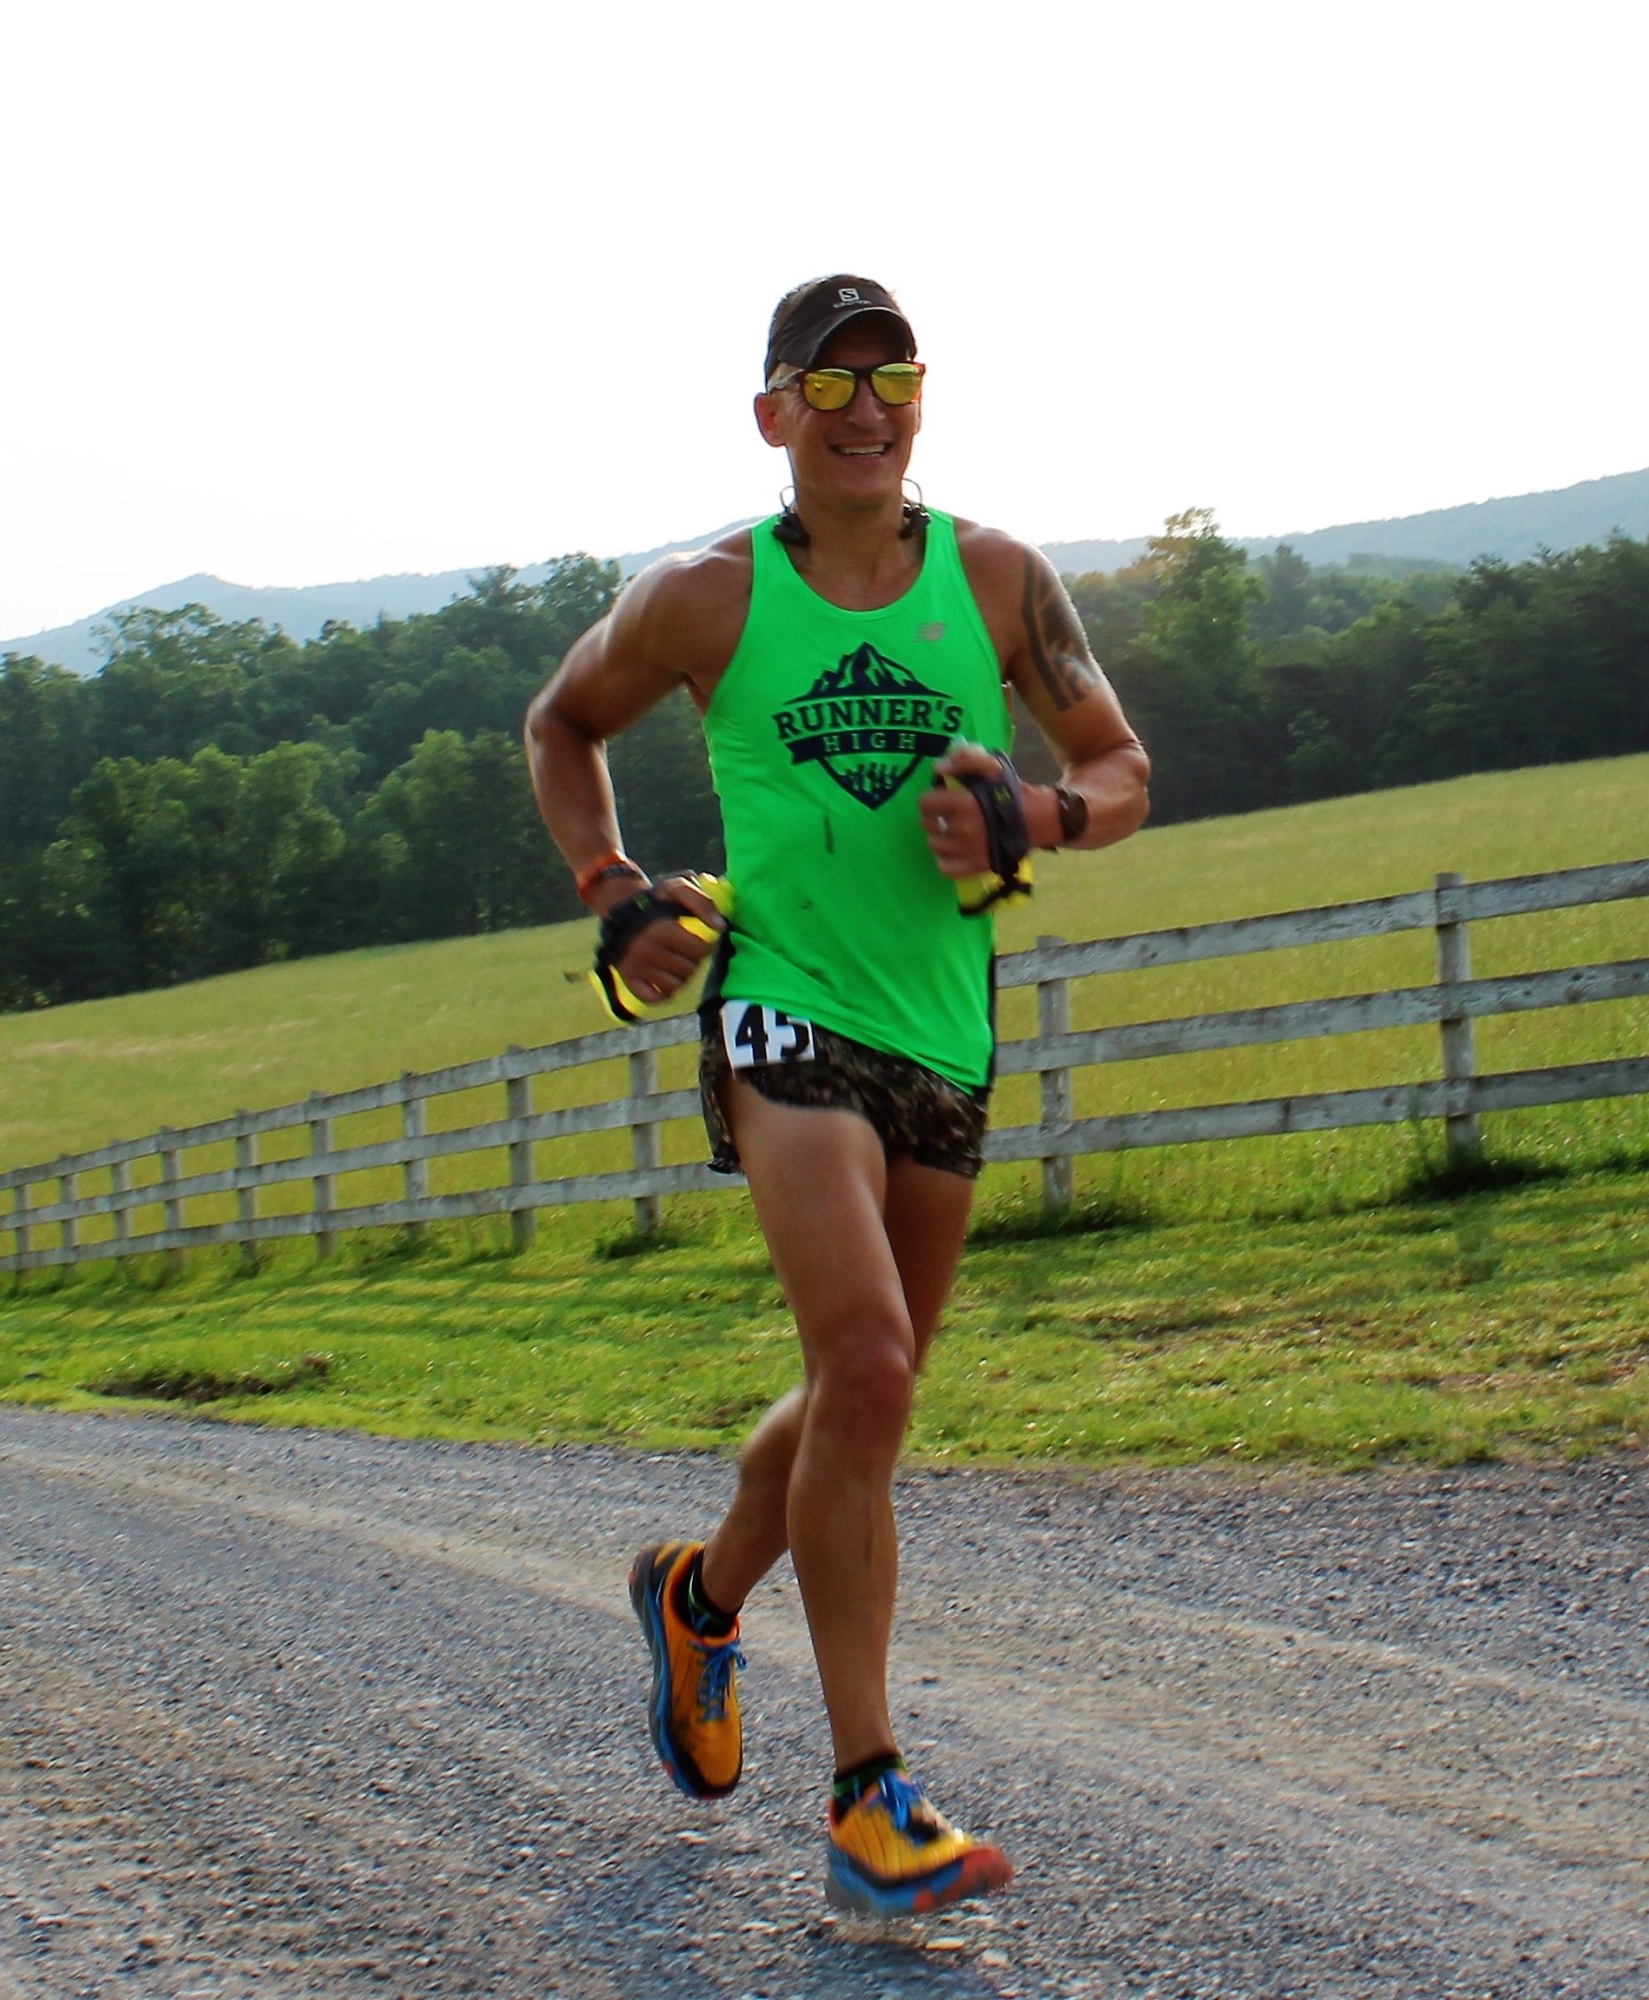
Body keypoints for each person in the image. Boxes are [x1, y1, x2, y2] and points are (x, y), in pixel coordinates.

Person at [523, 274, 1151, 1916]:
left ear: (922, 404)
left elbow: (1121, 770)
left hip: (943, 1034)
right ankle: (871, 1794)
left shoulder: (1000, 582)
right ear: (772, 415)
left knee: (864, 1400)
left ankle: (700, 1596)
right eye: (828, 382)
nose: (864, 409)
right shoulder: (701, 598)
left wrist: (1035, 816)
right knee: (866, 1362)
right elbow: (560, 721)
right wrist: (612, 890)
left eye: (894, 378)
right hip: (784, 1014)